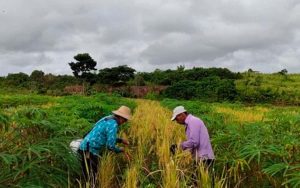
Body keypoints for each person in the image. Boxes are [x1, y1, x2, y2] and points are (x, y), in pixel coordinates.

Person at [78, 105, 132, 182]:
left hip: (84, 146)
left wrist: (121, 140)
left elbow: (105, 135)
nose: (125, 122)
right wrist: (120, 149)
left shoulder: (107, 118)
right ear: (121, 117)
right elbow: (110, 146)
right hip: (89, 151)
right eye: (125, 120)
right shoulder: (113, 125)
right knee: (92, 176)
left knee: (86, 174)